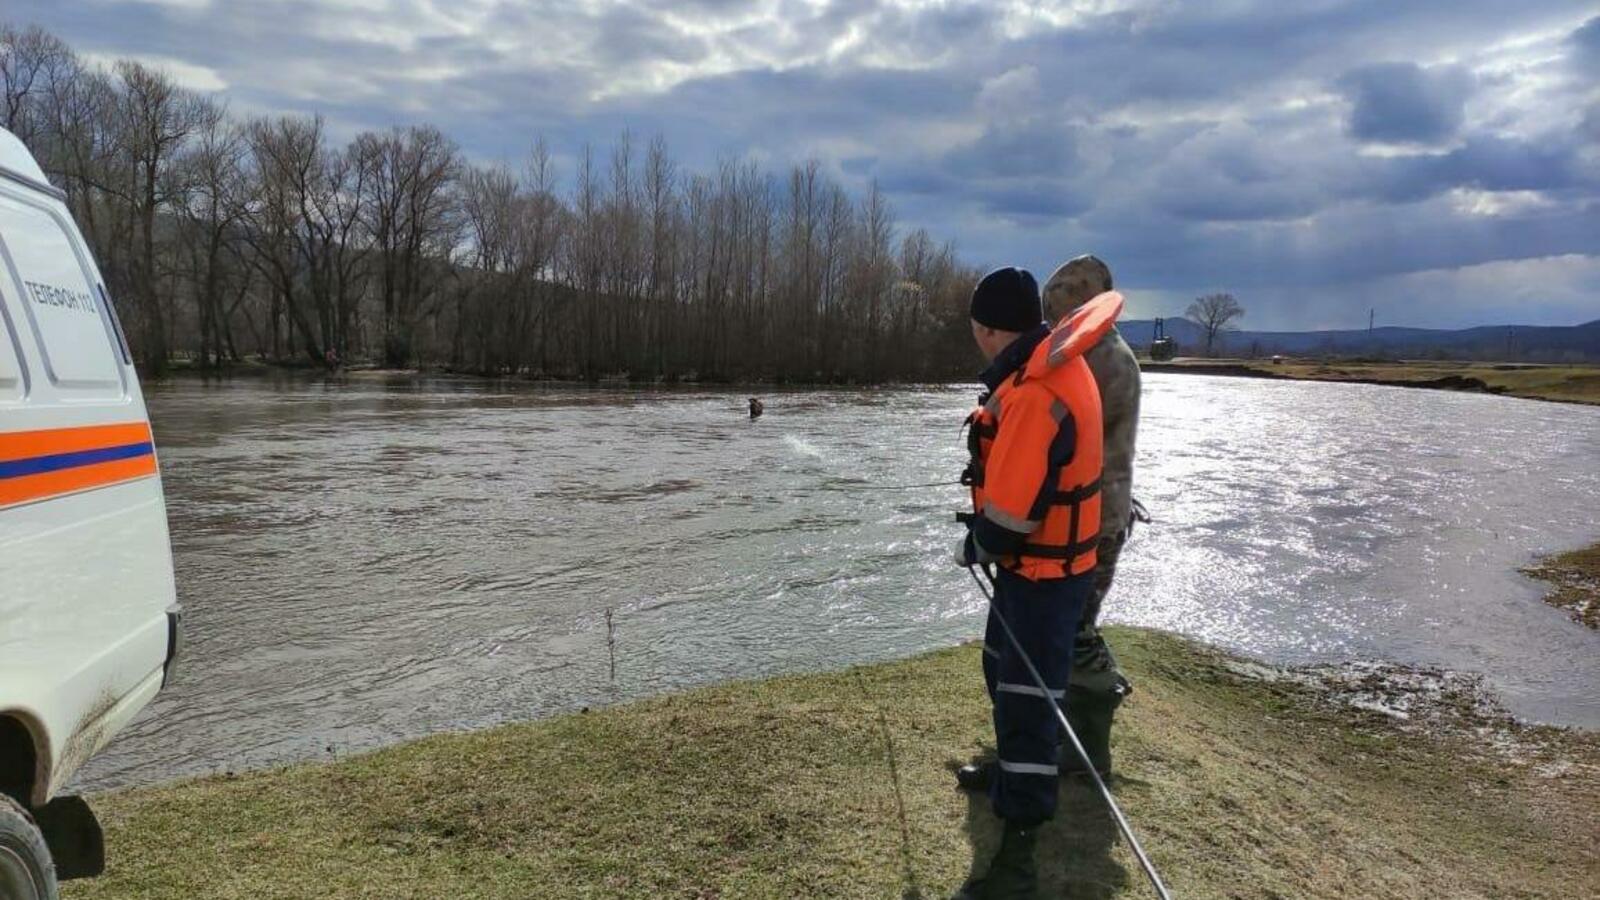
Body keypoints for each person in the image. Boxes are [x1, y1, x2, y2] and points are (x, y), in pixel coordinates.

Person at [950, 266, 1121, 899]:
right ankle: (1008, 773)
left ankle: (1017, 861)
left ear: (991, 330)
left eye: (975, 329)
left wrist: (974, 545)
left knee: (1027, 699)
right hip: (1038, 572)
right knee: (1000, 666)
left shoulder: (1033, 393)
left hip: (1044, 576)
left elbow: (1012, 515)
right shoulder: (1046, 369)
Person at [1042, 254, 1141, 778]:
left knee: (1074, 632)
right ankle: (1070, 741)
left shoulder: (1101, 359)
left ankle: (1085, 752)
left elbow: (1062, 438)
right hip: (1095, 516)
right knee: (1071, 629)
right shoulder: (1098, 350)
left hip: (1093, 523)